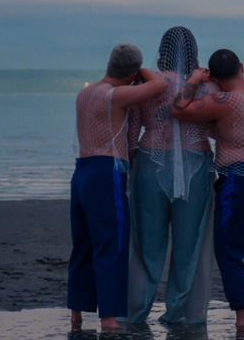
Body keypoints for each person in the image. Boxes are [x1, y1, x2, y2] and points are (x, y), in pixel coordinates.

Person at [171, 49, 244, 327]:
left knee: (229, 253)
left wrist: (195, 79)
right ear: (242, 67)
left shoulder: (224, 100)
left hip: (240, 181)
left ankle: (242, 322)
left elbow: (177, 109)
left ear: (216, 79)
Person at [67, 43, 168, 330]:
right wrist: (143, 72)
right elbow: (159, 85)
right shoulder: (117, 95)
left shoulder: (85, 92)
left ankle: (76, 315)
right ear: (133, 71)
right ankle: (109, 320)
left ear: (109, 64)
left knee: (83, 246)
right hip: (106, 172)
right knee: (111, 246)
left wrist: (132, 71)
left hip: (82, 172)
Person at [127, 27, 220, 324]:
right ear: (194, 51)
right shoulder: (209, 86)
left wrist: (130, 168)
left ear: (161, 51)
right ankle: (182, 315)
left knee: (145, 245)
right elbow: (218, 131)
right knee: (189, 245)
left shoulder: (145, 83)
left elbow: (131, 133)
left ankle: (135, 313)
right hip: (196, 162)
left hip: (149, 162)